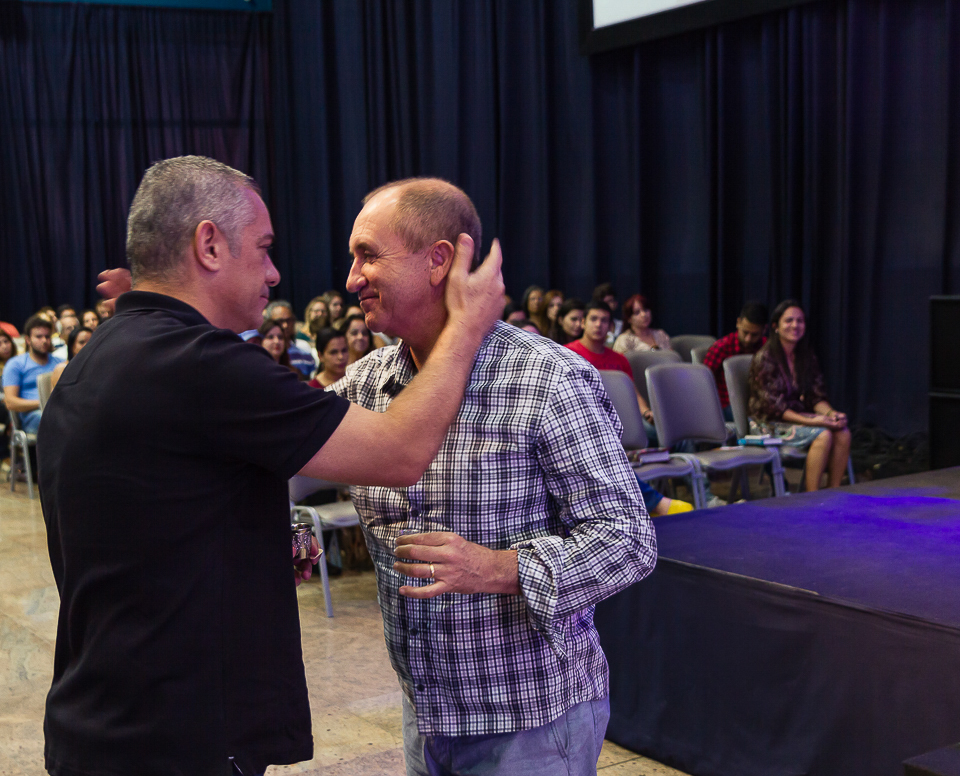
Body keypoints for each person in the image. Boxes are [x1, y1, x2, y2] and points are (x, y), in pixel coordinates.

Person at [37, 155, 505, 776]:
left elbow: (155, 516)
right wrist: (468, 326)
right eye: (262, 248)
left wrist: (254, 548)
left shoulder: (109, 356)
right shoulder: (197, 365)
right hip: (175, 737)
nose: (275, 271)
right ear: (209, 244)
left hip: (108, 719)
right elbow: (400, 451)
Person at [329, 177, 656, 775]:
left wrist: (497, 568)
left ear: (439, 261)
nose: (351, 279)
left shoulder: (547, 380)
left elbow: (630, 541)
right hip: (425, 716)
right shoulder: (363, 385)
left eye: (368, 256)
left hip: (530, 722)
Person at [748, 299, 852, 492]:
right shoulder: (765, 358)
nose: (795, 325)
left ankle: (834, 491)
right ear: (775, 327)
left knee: (843, 432)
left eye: (800, 321)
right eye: (789, 321)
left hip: (797, 418)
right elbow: (776, 409)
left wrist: (830, 414)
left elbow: (816, 396)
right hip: (767, 423)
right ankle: (811, 496)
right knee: (823, 434)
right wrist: (817, 422)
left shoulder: (805, 356)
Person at [566, 300, 659, 446]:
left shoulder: (619, 359)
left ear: (610, 327)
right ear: (583, 323)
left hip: (621, 414)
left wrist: (647, 412)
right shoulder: (568, 354)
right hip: (585, 418)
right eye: (593, 319)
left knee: (666, 431)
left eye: (604, 321)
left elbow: (633, 393)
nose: (598, 325)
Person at [702, 301, 768, 420]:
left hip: (758, 402)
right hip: (727, 406)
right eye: (745, 332)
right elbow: (702, 382)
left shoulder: (766, 347)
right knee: (752, 419)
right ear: (738, 323)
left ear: (764, 330)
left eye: (754, 335)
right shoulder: (722, 347)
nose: (748, 339)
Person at [2, 315, 59, 435]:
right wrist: (43, 403)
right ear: (28, 340)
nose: (44, 340)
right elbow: (10, 402)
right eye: (39, 337)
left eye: (47, 336)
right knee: (53, 416)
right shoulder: (16, 364)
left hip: (59, 410)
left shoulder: (59, 363)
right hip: (33, 416)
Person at [266, 300, 317, 378]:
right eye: (280, 321)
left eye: (288, 320)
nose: (285, 325)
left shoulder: (304, 348)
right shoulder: (263, 352)